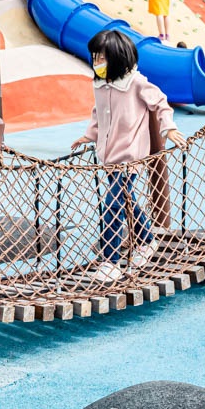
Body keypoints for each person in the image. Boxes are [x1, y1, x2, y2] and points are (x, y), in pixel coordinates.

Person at [70, 30, 185, 282]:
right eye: (94, 58)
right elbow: (98, 114)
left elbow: (161, 103)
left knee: (113, 205)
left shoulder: (136, 83)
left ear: (118, 58)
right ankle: (146, 241)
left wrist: (170, 127)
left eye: (102, 58)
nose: (96, 63)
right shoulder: (100, 84)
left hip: (130, 156)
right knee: (127, 199)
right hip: (108, 156)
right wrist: (88, 136)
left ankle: (110, 262)